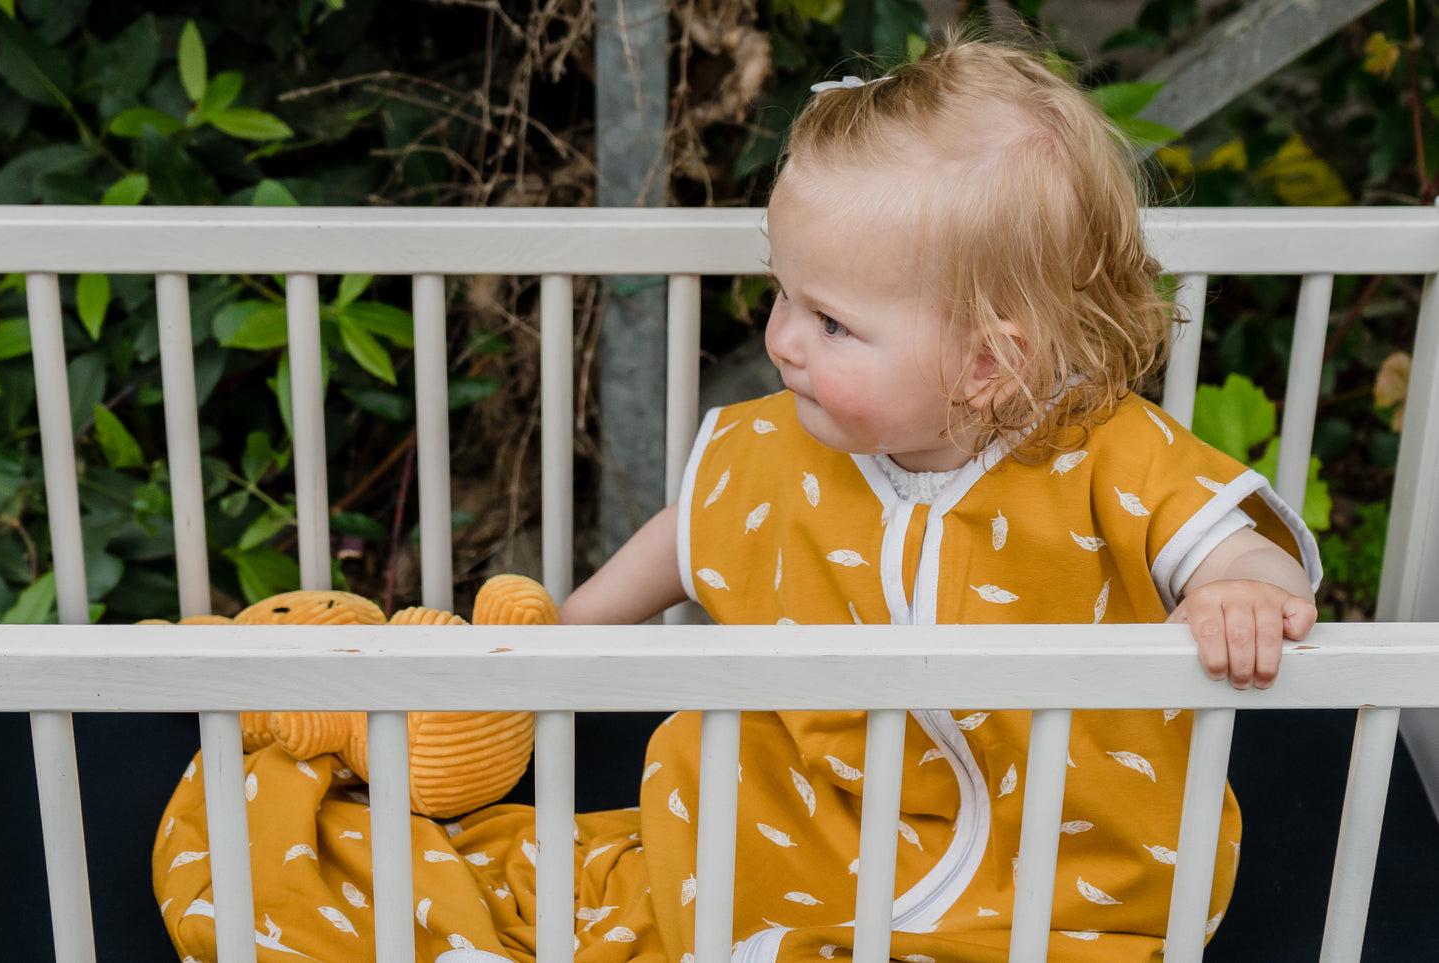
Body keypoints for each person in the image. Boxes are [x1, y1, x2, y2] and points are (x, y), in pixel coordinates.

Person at [558, 37, 1319, 962]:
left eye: (831, 321)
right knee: (702, 759)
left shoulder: (1106, 454)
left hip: (1057, 843)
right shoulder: (778, 442)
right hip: (822, 808)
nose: (785, 340)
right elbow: (694, 531)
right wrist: (567, 634)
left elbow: (1228, 543)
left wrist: (1239, 589)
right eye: (781, 294)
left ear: (989, 362)